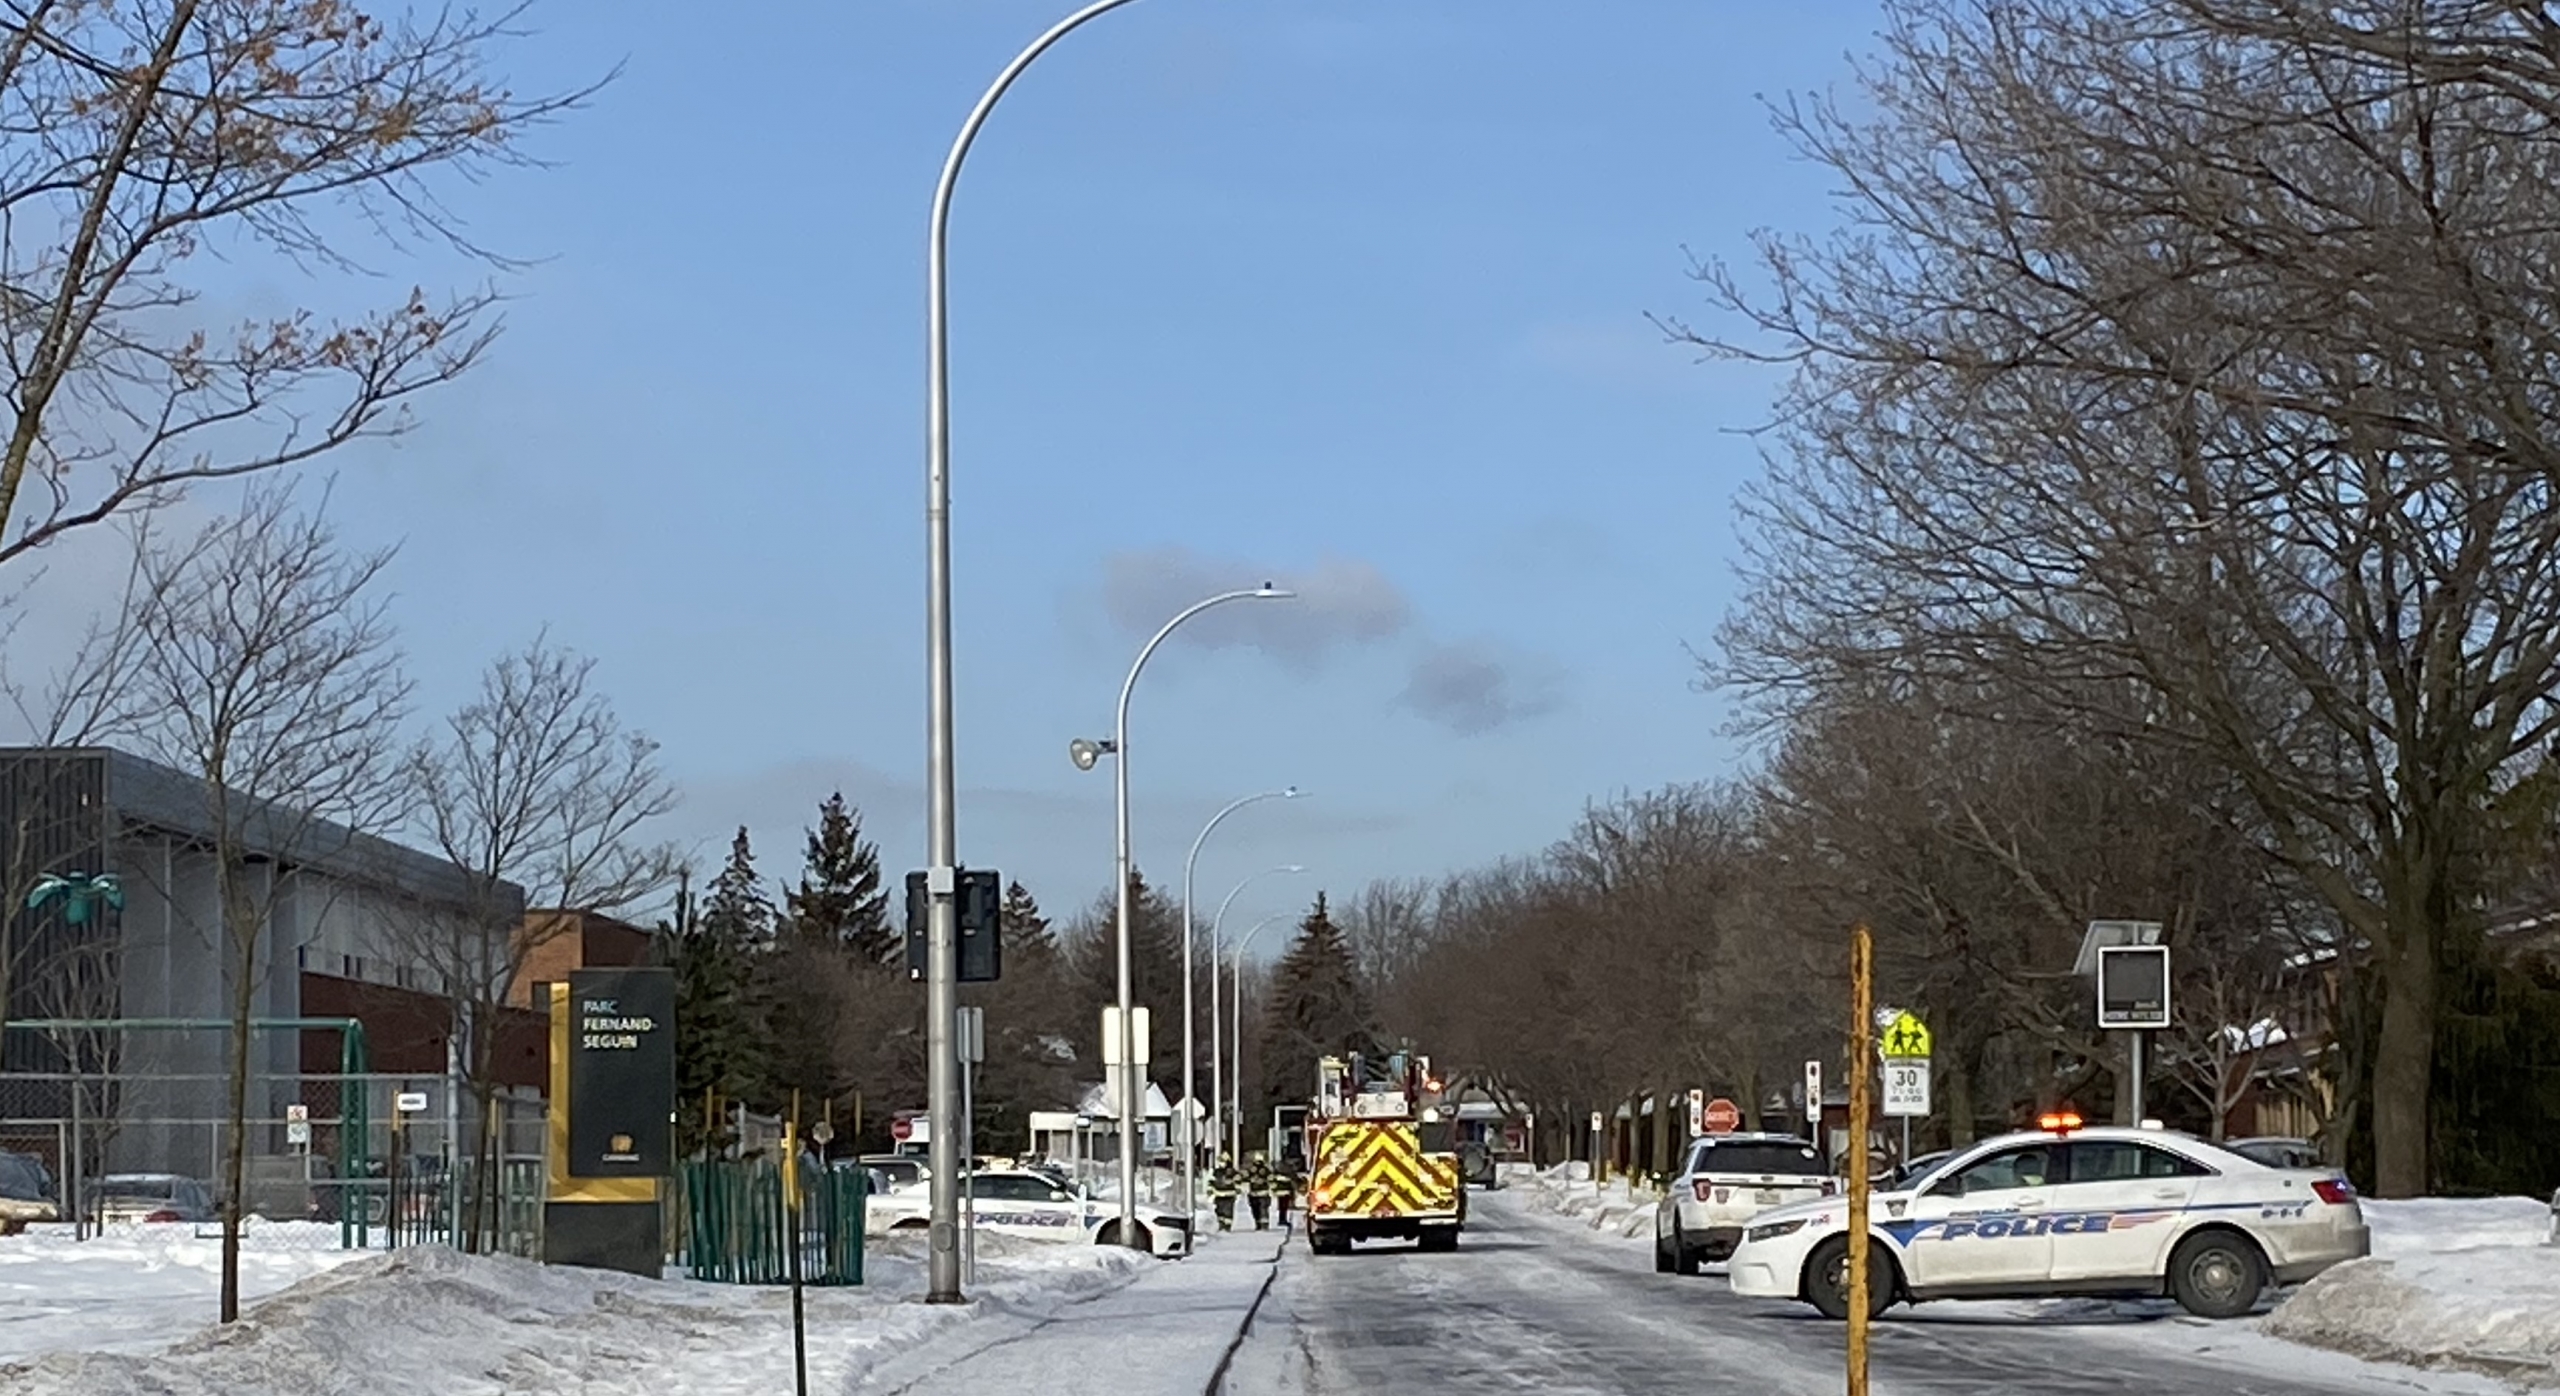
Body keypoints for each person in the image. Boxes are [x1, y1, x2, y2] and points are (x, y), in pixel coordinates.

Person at [1208, 1153, 1241, 1232]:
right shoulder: (1216, 1172)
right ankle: (1221, 1224)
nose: (1221, 1163)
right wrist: (1210, 1191)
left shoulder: (1232, 1172)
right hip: (1218, 1194)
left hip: (1229, 1194)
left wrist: (1236, 1188)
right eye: (1220, 1161)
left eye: (1222, 1161)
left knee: (1228, 1211)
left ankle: (1227, 1226)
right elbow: (1210, 1181)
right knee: (1219, 1210)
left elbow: (1238, 1182)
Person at [1243, 1151, 1274, 1230]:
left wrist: (1263, 1180)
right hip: (1254, 1193)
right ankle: (1258, 1224)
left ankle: (1264, 1224)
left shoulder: (1265, 1169)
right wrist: (1251, 1180)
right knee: (1255, 1209)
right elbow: (1245, 1178)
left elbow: (1271, 1178)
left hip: (1263, 1192)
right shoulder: (1251, 1169)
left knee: (1263, 1209)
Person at [1272, 1154, 1301, 1229]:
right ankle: (1282, 1220)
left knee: (1283, 1206)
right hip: (1284, 1190)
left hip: (1284, 1190)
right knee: (1283, 1206)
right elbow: (1291, 1177)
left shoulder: (1282, 1168)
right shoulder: (1285, 1168)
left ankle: (1282, 1219)